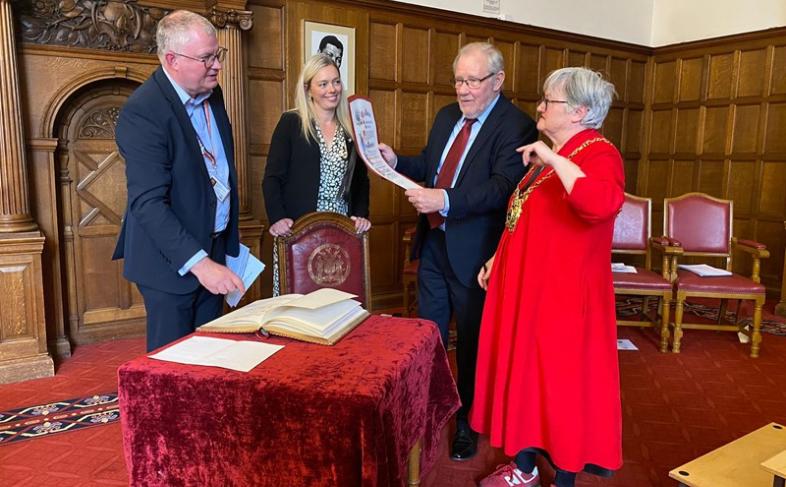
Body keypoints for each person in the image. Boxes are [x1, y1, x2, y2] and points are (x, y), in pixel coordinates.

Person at [378, 42, 537, 461]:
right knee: (427, 334)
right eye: (458, 80)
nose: (463, 90)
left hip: (475, 254)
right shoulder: (447, 115)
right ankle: (425, 408)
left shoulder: (516, 125)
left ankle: (467, 419)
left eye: (472, 81)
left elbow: (502, 187)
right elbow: (431, 165)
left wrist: (444, 200)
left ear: (497, 81)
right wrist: (398, 160)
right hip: (433, 244)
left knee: (470, 340)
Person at [471, 67, 624, 487]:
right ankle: (524, 468)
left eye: (548, 101)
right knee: (529, 385)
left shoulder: (597, 153)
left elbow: (600, 203)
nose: (538, 107)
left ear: (579, 111)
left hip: (565, 301)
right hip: (530, 293)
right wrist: (495, 258)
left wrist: (554, 157)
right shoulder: (552, 156)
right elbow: (523, 218)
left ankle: (563, 478)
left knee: (560, 391)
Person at [112, 10, 244, 352]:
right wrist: (201, 265)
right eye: (206, 58)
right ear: (172, 60)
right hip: (171, 265)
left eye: (218, 55)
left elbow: (215, 173)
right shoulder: (144, 111)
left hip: (213, 252)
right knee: (173, 370)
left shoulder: (211, 93)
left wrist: (223, 251)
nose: (217, 65)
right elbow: (148, 204)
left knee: (213, 357)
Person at [263, 54, 370, 294]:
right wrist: (277, 218)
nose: (332, 89)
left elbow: (362, 181)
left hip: (340, 227)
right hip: (298, 227)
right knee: (298, 301)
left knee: (337, 295)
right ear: (308, 89)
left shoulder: (350, 128)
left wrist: (361, 215)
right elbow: (272, 177)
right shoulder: (291, 122)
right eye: (323, 84)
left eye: (336, 82)